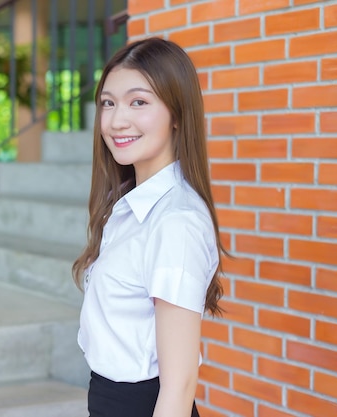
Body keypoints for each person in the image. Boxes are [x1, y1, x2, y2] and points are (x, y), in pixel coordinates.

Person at [72, 37, 228, 417]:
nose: (116, 120)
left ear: (176, 113)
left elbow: (178, 385)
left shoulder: (175, 221)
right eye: (108, 103)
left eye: (138, 102)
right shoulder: (130, 207)